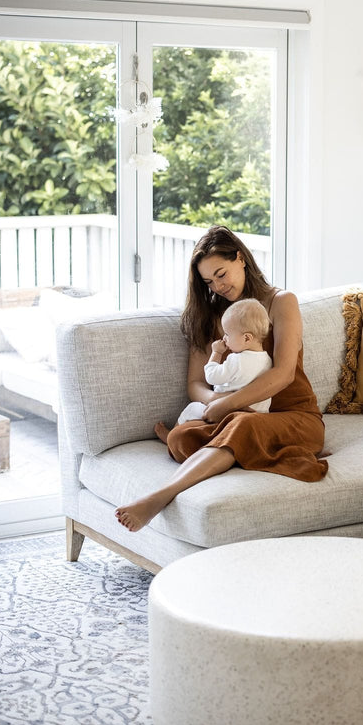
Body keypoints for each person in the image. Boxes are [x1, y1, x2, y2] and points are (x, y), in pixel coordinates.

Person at [115, 225, 328, 532]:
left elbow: (283, 374)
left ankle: (159, 496)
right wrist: (216, 401)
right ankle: (246, 449)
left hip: (294, 417)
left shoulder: (282, 302)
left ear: (240, 258)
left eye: (221, 273)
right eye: (208, 281)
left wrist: (228, 405)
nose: (217, 286)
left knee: (243, 423)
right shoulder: (213, 317)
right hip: (233, 416)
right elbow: (195, 384)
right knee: (179, 437)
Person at [172, 297, 273, 424]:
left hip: (226, 412)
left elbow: (212, 376)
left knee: (193, 409)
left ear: (247, 338)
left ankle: (172, 435)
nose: (224, 339)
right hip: (258, 418)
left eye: (227, 334)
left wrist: (217, 353)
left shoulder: (237, 361)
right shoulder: (267, 361)